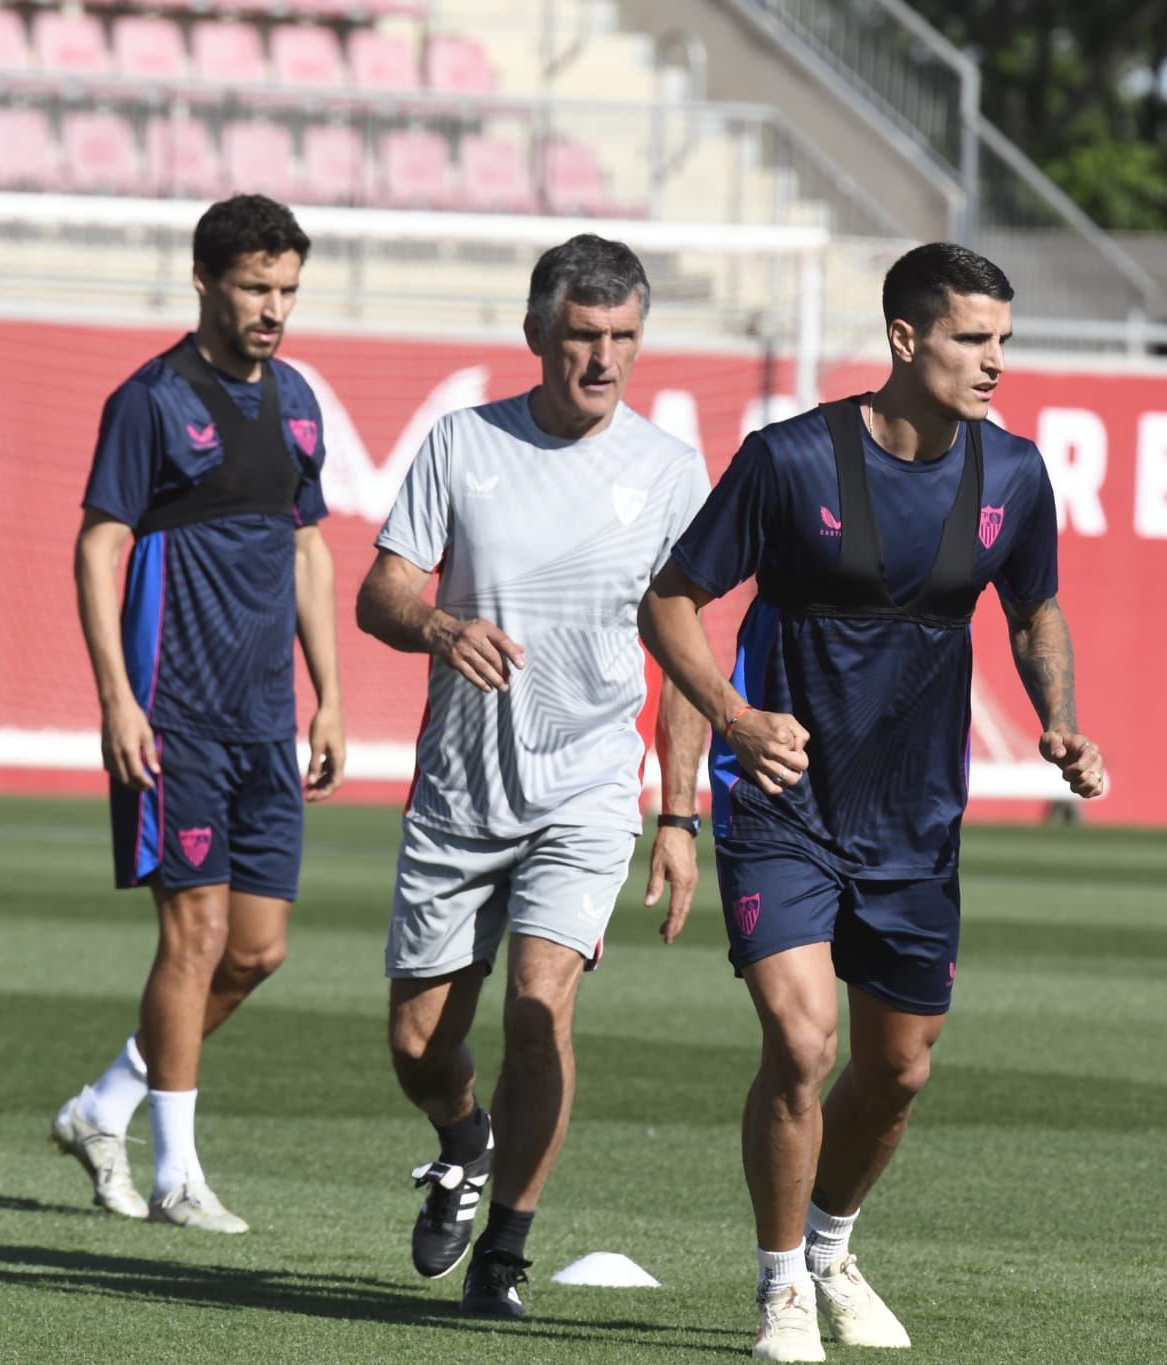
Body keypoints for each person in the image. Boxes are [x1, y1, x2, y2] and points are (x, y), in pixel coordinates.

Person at [639, 243, 1105, 1361]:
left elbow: (1034, 612)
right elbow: (669, 604)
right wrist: (734, 726)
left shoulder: (1016, 475)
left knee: (896, 1070)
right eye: (972, 340)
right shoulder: (787, 460)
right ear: (906, 340)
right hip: (782, 805)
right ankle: (779, 1291)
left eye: (1003, 339)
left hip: (914, 820)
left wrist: (1057, 720)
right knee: (801, 1045)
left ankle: (832, 1247)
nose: (997, 361)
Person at [355, 233, 712, 1318]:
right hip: (461, 792)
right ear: (535, 335)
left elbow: (688, 656)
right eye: (582, 337)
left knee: (537, 1010)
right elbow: (380, 594)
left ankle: (504, 1254)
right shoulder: (461, 444)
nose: (603, 360)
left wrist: (680, 813)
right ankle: (463, 1139)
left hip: (587, 789)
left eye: (624, 339)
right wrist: (438, 624)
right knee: (420, 1045)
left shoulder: (666, 470)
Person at [52, 194, 345, 1235]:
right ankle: (176, 1173)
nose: (274, 309)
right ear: (206, 281)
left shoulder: (299, 400)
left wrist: (331, 695)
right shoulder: (151, 399)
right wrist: (117, 700)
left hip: (268, 720)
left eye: (288, 291)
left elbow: (308, 549)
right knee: (196, 934)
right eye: (256, 288)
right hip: (174, 714)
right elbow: (99, 546)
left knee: (257, 951)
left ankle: (105, 1107)